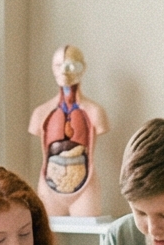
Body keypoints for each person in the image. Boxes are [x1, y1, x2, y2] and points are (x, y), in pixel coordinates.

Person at [28, 44, 112, 217]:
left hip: (85, 184)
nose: (65, 72)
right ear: (53, 69)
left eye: (71, 66)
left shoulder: (95, 112)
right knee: (46, 238)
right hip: (49, 185)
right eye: (59, 66)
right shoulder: (41, 113)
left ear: (83, 68)